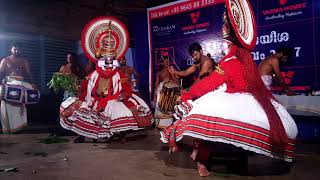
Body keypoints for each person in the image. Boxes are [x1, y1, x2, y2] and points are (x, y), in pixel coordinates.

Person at [160, 1, 297, 177]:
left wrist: (188, 94)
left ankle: (203, 161)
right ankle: (228, 163)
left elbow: (209, 83)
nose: (224, 46)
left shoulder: (230, 62)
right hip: (246, 101)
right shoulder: (247, 61)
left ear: (229, 45)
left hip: (233, 99)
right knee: (232, 134)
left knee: (208, 129)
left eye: (225, 43)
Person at [59, 17, 153, 143]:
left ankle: (119, 135)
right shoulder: (92, 75)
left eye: (110, 60)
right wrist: (80, 92)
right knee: (81, 110)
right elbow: (85, 88)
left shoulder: (119, 75)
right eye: (105, 60)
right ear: (100, 60)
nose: (108, 63)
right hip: (94, 99)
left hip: (112, 99)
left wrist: (124, 95)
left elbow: (126, 89)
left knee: (120, 110)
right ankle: (83, 135)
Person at [0, 44, 38, 133]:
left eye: (18, 50)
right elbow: (0, 72)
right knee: (7, 105)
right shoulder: (5, 60)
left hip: (20, 83)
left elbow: (29, 73)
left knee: (20, 105)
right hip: (9, 82)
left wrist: (33, 83)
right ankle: (8, 128)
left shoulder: (24, 60)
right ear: (11, 49)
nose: (16, 51)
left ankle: (19, 127)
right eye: (14, 49)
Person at [153, 56, 179, 128]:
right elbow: (156, 85)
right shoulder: (159, 73)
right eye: (165, 61)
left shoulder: (172, 70)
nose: (167, 63)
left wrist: (172, 73)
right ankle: (160, 125)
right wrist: (155, 95)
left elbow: (177, 82)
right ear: (162, 63)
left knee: (168, 107)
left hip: (170, 91)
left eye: (168, 61)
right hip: (161, 90)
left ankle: (169, 125)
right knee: (160, 106)